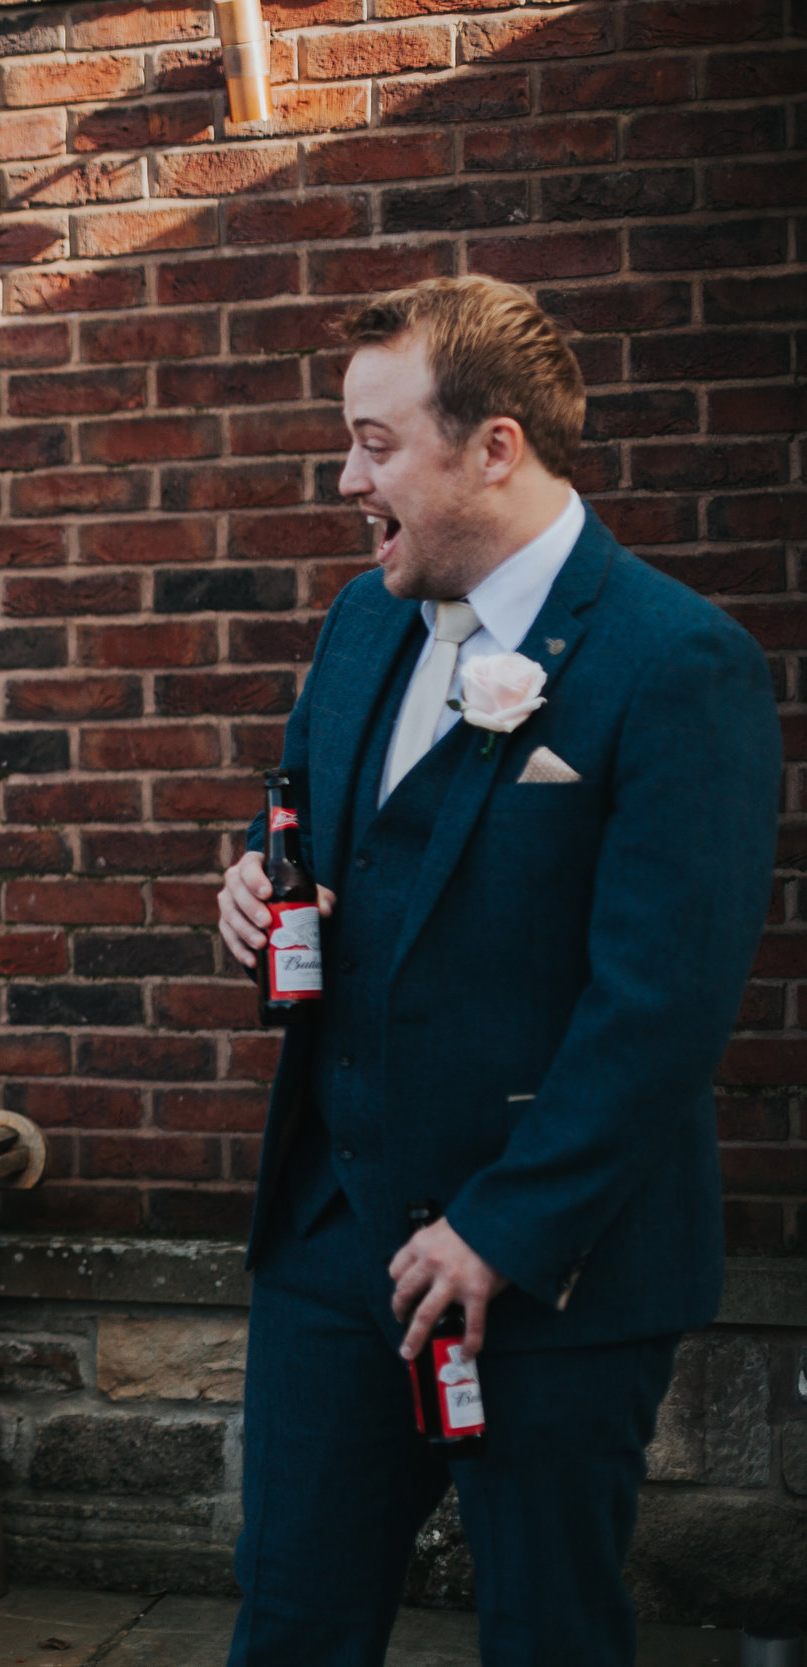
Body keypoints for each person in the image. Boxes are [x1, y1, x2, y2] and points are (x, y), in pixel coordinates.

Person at [214, 277, 779, 1667]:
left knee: (550, 1637)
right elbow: (303, 819)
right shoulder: (363, 622)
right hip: (331, 1245)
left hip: (550, 1276)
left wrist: (502, 1231)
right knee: (287, 1625)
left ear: (496, 447)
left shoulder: (680, 662)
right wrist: (253, 885)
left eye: (374, 442)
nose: (348, 478)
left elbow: (662, 1006)